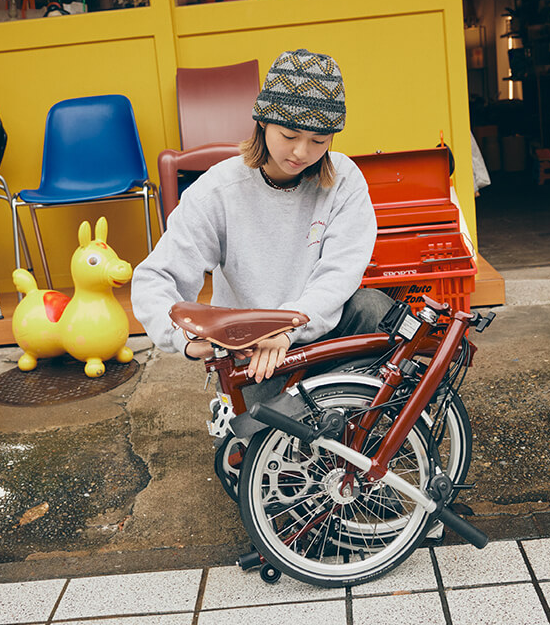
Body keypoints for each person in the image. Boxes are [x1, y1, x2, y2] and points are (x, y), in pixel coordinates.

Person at [132, 48, 392, 395]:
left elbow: (340, 272)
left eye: (318, 141)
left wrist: (287, 327)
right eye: (289, 135)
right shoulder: (220, 189)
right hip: (254, 349)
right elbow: (156, 276)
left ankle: (356, 411)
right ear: (263, 122)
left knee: (374, 307)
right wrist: (183, 338)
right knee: (261, 441)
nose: (301, 152)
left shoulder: (344, 179)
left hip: (318, 330)